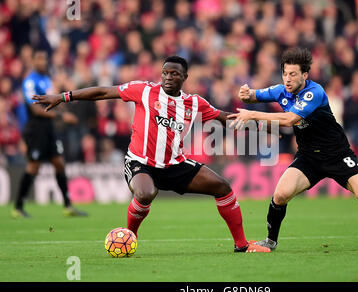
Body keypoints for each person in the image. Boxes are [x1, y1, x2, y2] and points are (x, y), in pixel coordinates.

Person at [33, 55, 270, 253]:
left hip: (174, 164)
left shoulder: (194, 103)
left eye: (174, 74)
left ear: (184, 78)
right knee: (146, 193)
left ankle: (241, 245)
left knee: (222, 187)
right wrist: (64, 97)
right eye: (165, 73)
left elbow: (224, 117)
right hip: (140, 163)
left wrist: (262, 124)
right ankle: (129, 238)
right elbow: (104, 92)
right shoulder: (143, 90)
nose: (168, 77)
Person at [229, 47, 358, 250]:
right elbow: (251, 96)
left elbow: (290, 119)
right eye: (285, 73)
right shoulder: (281, 91)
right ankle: (270, 241)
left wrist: (252, 115)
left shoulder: (314, 92)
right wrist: (245, 92)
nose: (287, 79)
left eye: (293, 74)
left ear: (304, 75)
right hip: (308, 158)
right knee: (280, 195)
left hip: (337, 155)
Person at [12, 50, 87, 218]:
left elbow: (55, 101)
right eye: (38, 59)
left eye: (44, 59)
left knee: (59, 163)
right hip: (35, 129)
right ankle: (18, 206)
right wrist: (62, 116)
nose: (42, 62)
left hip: (49, 129)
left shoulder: (46, 79)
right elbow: (36, 110)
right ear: (33, 61)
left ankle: (68, 206)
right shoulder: (30, 82)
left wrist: (65, 109)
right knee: (33, 166)